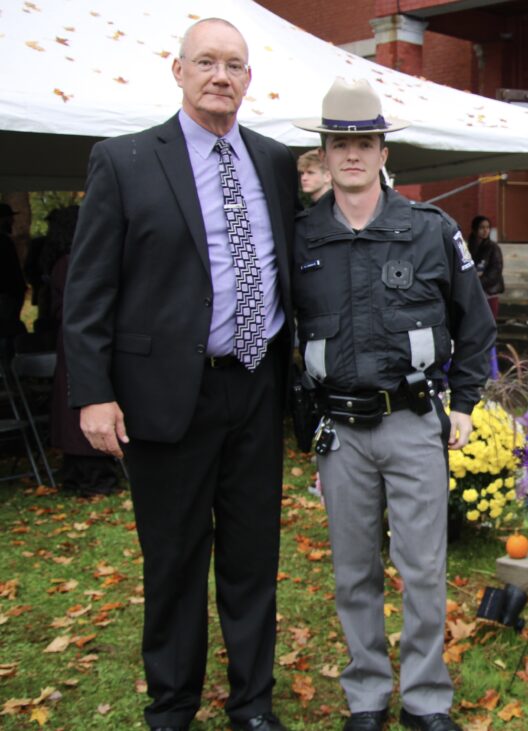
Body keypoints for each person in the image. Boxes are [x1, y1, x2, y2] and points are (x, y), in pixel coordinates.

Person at [63, 18, 295, 731]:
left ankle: (251, 702)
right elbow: (89, 286)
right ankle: (172, 703)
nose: (221, 76)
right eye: (206, 62)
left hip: (257, 385)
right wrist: (93, 391)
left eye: (234, 65)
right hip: (166, 394)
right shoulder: (127, 160)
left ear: (249, 79)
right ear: (179, 70)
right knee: (174, 558)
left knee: (253, 555)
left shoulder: (277, 161)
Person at [293, 78, 494, 731]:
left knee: (422, 569)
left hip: (412, 423)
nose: (352, 154)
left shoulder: (428, 230)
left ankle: (426, 697)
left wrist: (464, 402)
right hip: (341, 432)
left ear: (383, 149)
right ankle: (367, 695)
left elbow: (477, 321)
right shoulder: (301, 239)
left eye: (365, 142)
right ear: (323, 151)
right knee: (354, 571)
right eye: (340, 143)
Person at [47, 206, 119, 496]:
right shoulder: (68, 263)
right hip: (77, 342)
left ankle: (90, 471)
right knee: (78, 404)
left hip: (78, 341)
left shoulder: (71, 261)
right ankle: (86, 474)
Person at [0, 202, 27, 353]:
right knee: (6, 330)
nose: (12, 221)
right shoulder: (3, 242)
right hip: (7, 294)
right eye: (8, 218)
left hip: (10, 293)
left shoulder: (5, 241)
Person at [466, 215, 503, 320]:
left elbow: (495, 271)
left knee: (489, 322)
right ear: (475, 229)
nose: (485, 230)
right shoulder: (469, 248)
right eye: (482, 227)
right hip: (473, 293)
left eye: (487, 227)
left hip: (489, 292)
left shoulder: (493, 248)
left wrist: (478, 282)